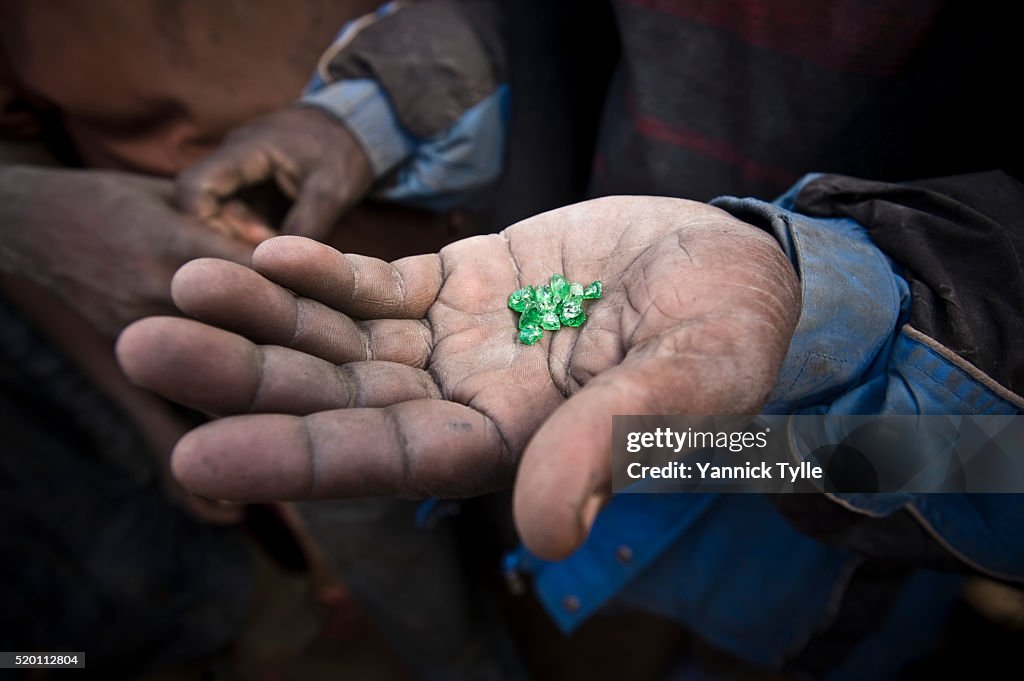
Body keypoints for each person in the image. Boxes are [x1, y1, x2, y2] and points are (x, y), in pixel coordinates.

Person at [118, 1, 1024, 678]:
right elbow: (526, 21)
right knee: (567, 545)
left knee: (768, 616)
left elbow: (992, 456)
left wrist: (834, 312)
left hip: (843, 439)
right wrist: (365, 114)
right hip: (574, 346)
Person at [0, 1, 509, 675]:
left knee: (579, 531)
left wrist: (353, 125)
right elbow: (39, 240)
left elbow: (525, 33)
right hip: (278, 383)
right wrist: (152, 419)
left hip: (479, 286)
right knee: (405, 583)